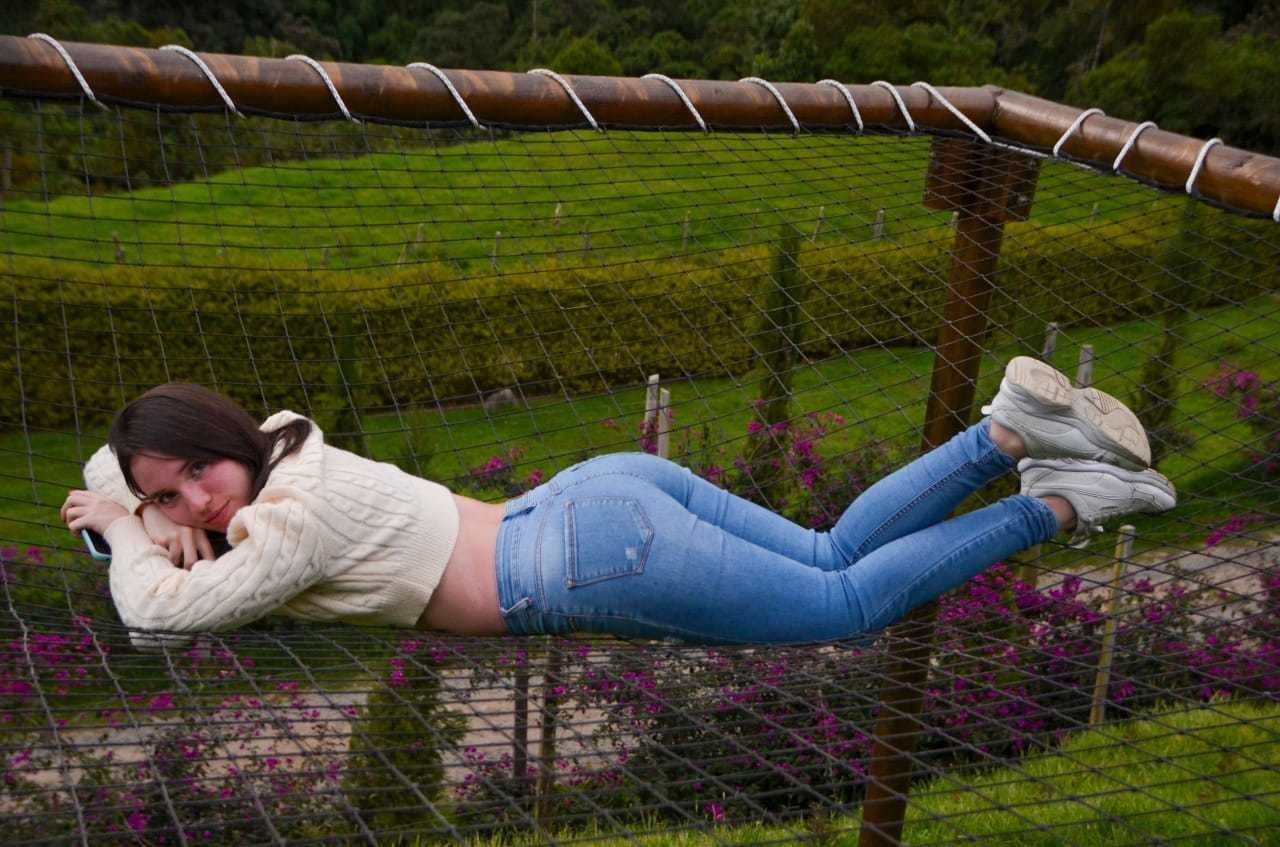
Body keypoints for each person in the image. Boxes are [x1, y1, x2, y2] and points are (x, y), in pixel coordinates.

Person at [61, 357, 1176, 647]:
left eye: (196, 475)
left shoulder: (287, 526)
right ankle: (1005, 431)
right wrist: (140, 503)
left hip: (585, 558)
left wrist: (122, 528)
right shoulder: (289, 440)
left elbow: (155, 615)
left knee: (843, 607)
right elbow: (126, 466)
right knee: (831, 549)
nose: (196, 504)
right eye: (171, 495)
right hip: (600, 491)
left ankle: (1060, 505)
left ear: (222, 442)